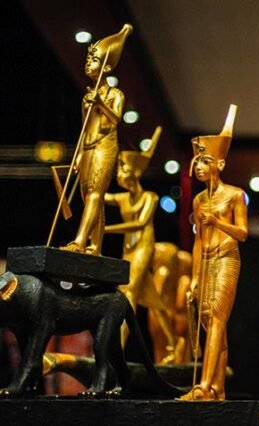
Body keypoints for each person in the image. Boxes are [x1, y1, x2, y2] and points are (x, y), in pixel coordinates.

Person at [180, 105, 248, 401]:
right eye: (196, 162)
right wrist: (195, 277)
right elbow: (197, 242)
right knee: (209, 323)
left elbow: (242, 233)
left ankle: (204, 385)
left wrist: (217, 222)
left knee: (218, 320)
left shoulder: (234, 195)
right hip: (206, 262)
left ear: (219, 164)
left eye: (205, 161)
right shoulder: (197, 200)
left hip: (227, 258)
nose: (199, 167)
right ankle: (218, 389)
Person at [103, 127, 177, 363]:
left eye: (123, 170)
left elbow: (139, 224)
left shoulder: (150, 197)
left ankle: (118, 348)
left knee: (129, 294)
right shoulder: (122, 198)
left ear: (134, 173)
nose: (120, 175)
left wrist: (106, 229)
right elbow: (97, 195)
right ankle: (174, 343)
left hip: (144, 248)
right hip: (128, 250)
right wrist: (86, 171)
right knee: (155, 302)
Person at [62, 24, 132, 255]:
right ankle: (95, 246)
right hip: (89, 147)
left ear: (107, 67)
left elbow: (116, 119)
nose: (88, 63)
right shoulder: (86, 98)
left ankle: (80, 241)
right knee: (89, 197)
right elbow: (84, 128)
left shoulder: (115, 94)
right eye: (88, 60)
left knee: (95, 193)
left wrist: (100, 103)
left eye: (94, 60)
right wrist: (79, 154)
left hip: (105, 146)